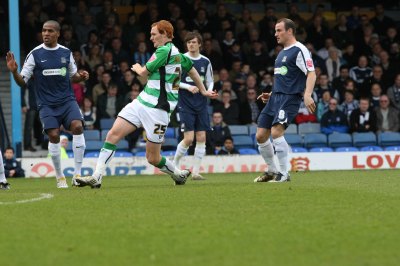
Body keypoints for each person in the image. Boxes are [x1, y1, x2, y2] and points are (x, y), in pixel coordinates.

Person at [75, 20, 217, 188]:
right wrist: (203, 90)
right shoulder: (178, 53)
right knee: (112, 135)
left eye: (154, 34)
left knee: (153, 158)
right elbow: (192, 70)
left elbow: (143, 73)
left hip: (158, 110)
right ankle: (97, 176)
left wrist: (136, 68)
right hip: (142, 102)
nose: (151, 38)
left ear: (164, 34)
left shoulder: (164, 50)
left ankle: (178, 174)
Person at [6, 20, 89, 188]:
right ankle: (60, 177)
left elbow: (72, 76)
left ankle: (77, 175)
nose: (46, 34)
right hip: (46, 104)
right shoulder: (35, 54)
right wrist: (15, 72)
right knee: (53, 135)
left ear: (58, 34)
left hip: (67, 100)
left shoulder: (66, 52)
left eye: (50, 31)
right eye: (44, 30)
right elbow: (23, 82)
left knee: (78, 127)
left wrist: (81, 77)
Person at [254, 18, 316, 183]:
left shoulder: (300, 49)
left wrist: (307, 94)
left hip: (290, 98)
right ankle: (272, 170)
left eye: (279, 30)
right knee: (260, 135)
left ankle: (284, 174)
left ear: (290, 31)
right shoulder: (281, 52)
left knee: (276, 132)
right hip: (275, 97)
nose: (276, 34)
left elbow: (311, 73)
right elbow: (284, 78)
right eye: (275, 31)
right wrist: (271, 93)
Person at [172, 32, 214, 181]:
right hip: (185, 103)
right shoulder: (181, 59)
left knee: (202, 136)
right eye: (189, 42)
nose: (191, 45)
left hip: (201, 103)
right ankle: (174, 166)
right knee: (189, 138)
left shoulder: (205, 61)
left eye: (194, 42)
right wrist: (187, 87)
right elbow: (174, 82)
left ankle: (196, 172)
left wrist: (209, 90)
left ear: (200, 44)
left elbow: (210, 80)